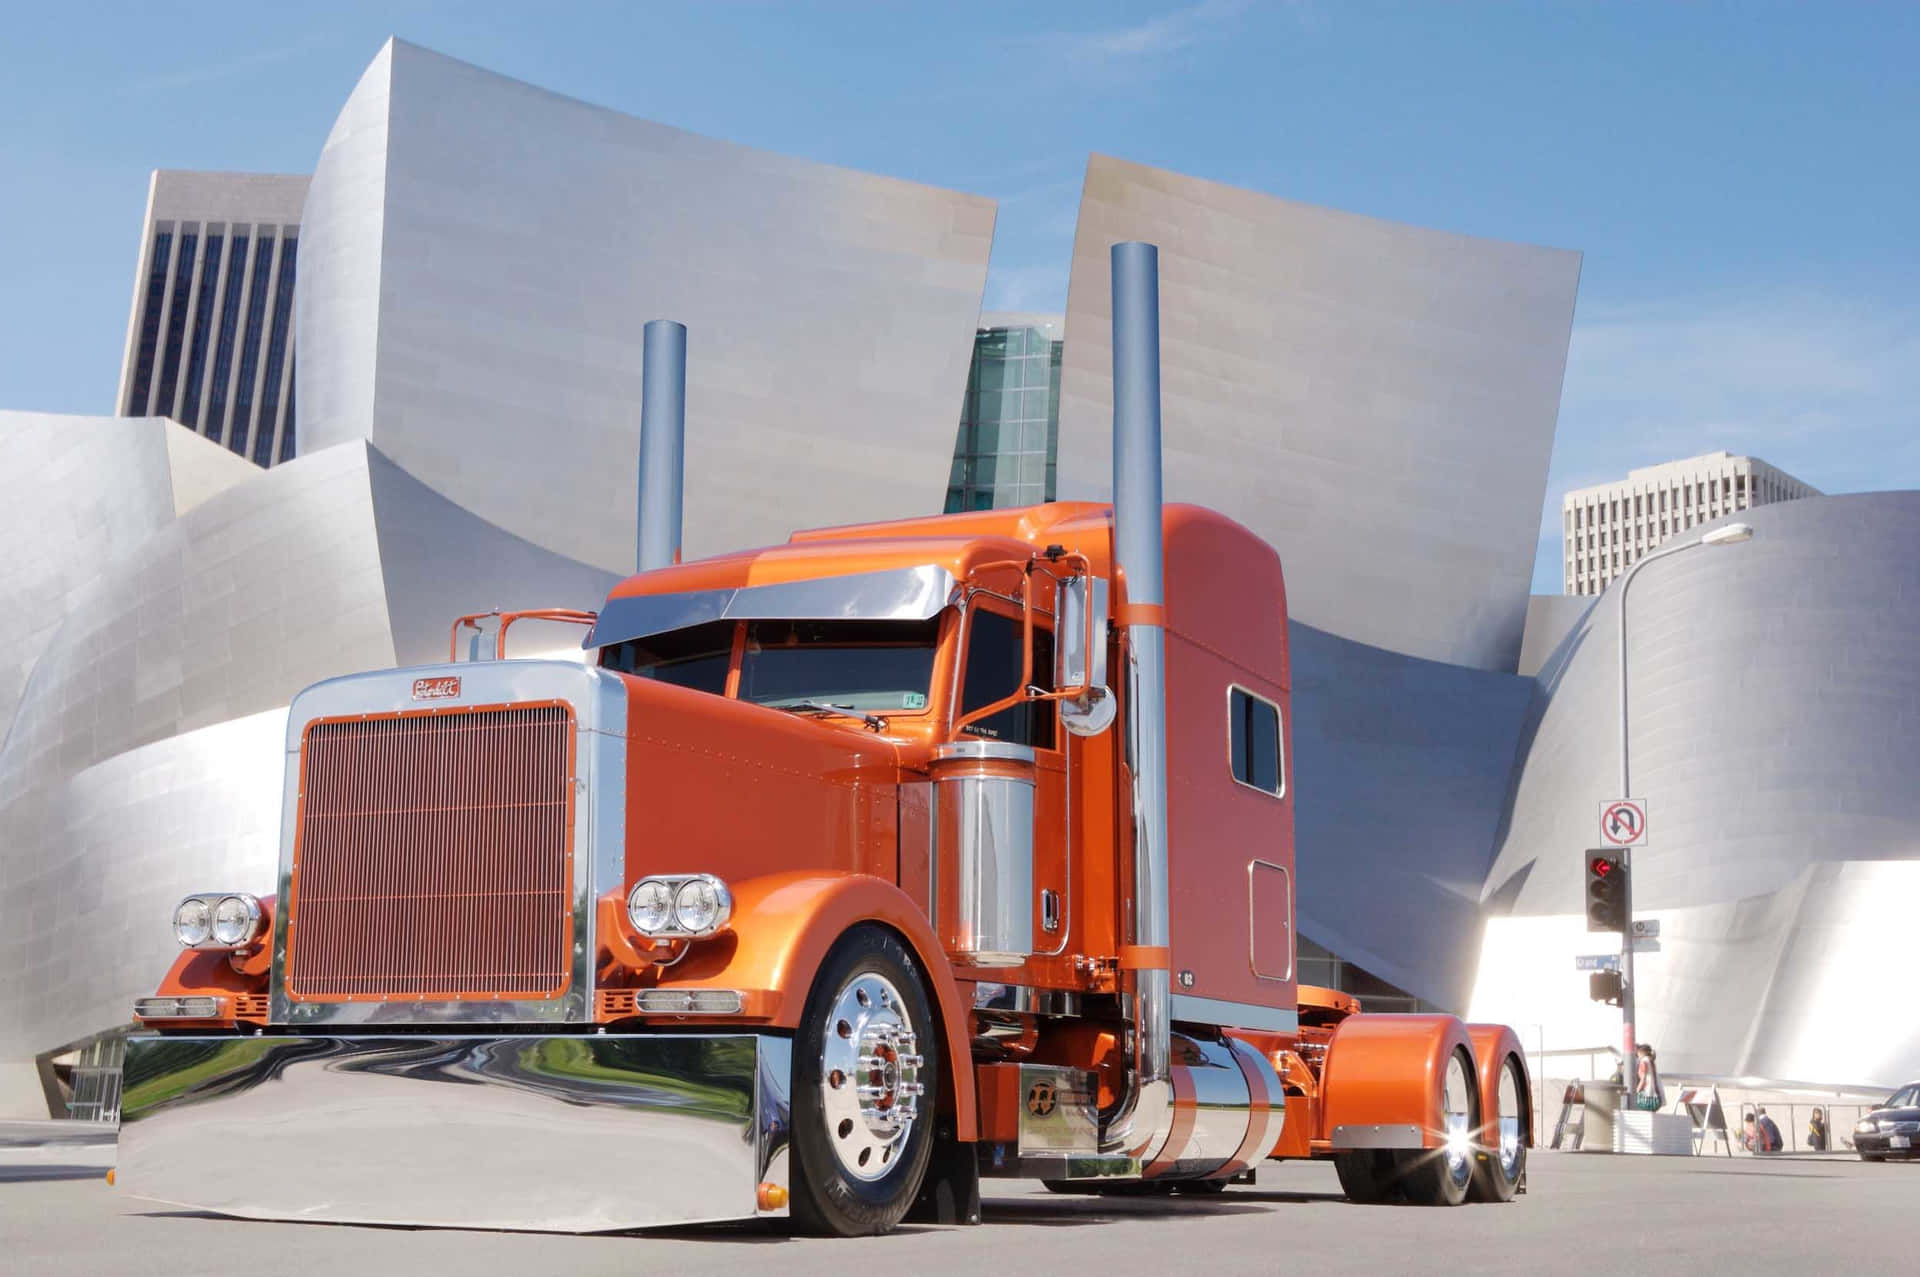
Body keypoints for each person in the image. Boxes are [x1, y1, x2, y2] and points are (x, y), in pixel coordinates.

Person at [1632, 1043, 1665, 1111]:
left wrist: (1636, 1091)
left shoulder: (1644, 1062)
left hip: (1647, 1095)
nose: (1637, 1056)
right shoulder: (1651, 1060)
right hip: (1656, 1095)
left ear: (1641, 1052)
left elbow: (1643, 1079)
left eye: (1637, 1053)